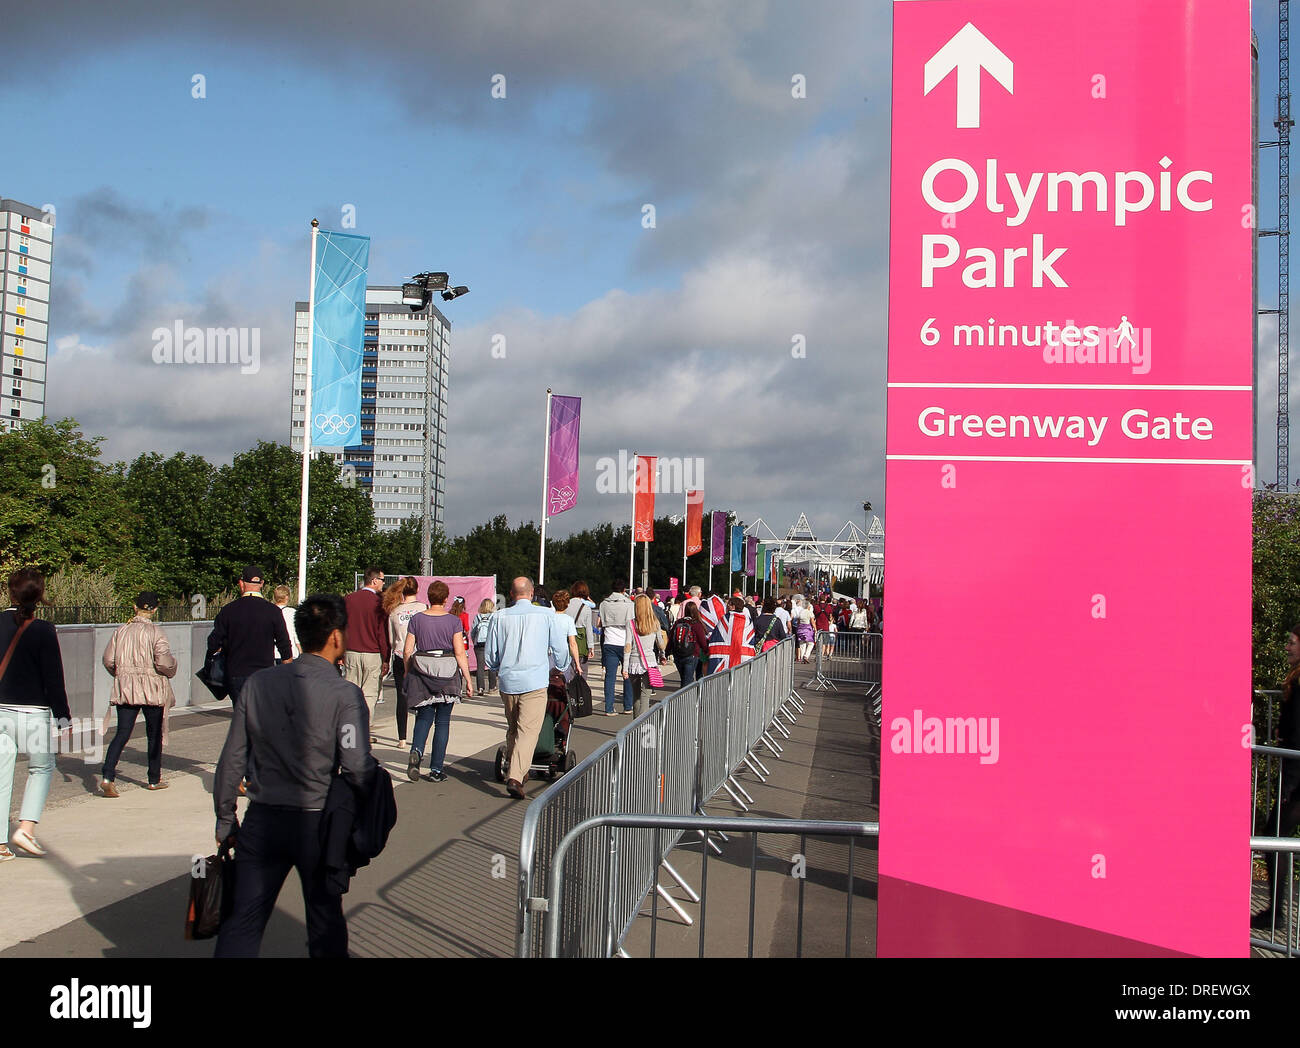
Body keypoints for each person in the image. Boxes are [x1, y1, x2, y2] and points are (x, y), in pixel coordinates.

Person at [213, 594, 378, 957]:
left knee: (243, 920)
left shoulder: (258, 684)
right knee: (324, 920)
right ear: (336, 636)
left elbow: (232, 758)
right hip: (316, 823)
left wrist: (226, 817)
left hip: (263, 819)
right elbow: (355, 764)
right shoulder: (344, 695)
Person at [0, 567, 69, 860]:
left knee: (1, 775)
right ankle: (25, 829)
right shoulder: (43, 629)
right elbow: (53, 677)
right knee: (41, 768)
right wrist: (63, 716)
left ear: (10, 591)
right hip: (34, 713)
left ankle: (0, 844)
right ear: (39, 596)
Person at [483, 577, 570, 799]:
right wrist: (561, 666)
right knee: (528, 730)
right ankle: (515, 775)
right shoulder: (546, 616)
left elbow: (491, 655)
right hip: (535, 680)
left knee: (513, 726)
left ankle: (515, 767)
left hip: (509, 680)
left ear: (511, 594)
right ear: (531, 594)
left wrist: (496, 666)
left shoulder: (499, 617)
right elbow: (559, 648)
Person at [99, 592, 177, 796]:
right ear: (154, 609)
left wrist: (121, 673)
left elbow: (108, 659)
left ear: (135, 607)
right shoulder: (156, 632)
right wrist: (172, 668)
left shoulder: (121, 630)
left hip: (126, 687)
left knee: (122, 733)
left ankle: (108, 776)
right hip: (151, 687)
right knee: (154, 734)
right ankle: (153, 779)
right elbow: (163, 661)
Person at [1253, 625, 1300, 930]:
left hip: (1297, 777)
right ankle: (1276, 912)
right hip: (1295, 775)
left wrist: (1290, 782)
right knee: (1275, 836)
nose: (1287, 647)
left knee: (1275, 837)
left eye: (1292, 643)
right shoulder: (1294, 681)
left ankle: (1276, 914)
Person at [403, 581, 472, 784]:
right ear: (445, 599)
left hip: (422, 671)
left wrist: (408, 673)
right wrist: (468, 680)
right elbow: (459, 652)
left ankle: (416, 751)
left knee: (423, 718)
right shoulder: (453, 621)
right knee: (442, 722)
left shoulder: (416, 619)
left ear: (429, 597)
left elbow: (407, 650)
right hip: (447, 673)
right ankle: (436, 769)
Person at [205, 565, 294, 705]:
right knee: (260, 717)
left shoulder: (229, 611)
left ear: (241, 583)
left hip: (236, 673)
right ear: (262, 584)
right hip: (264, 674)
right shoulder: (273, 611)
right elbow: (284, 644)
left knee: (241, 716)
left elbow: (213, 642)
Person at [343, 568, 390, 742]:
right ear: (375, 580)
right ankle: (364, 731)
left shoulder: (348, 600)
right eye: (383, 580)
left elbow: (342, 627)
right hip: (372, 653)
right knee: (369, 694)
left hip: (351, 651)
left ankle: (349, 731)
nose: (384, 583)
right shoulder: (379, 603)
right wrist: (386, 657)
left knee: (350, 692)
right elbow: (382, 633)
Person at [383, 576, 426, 749]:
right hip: (419, 655)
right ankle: (419, 734)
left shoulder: (394, 612)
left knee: (402, 697)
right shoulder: (424, 608)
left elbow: (391, 640)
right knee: (421, 697)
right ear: (417, 590)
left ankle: (402, 737)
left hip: (400, 655)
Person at [622, 595, 667, 718]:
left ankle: (635, 723)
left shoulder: (631, 623)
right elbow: (660, 643)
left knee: (635, 696)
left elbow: (627, 646)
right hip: (650, 663)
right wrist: (663, 655)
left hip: (633, 663)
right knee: (645, 696)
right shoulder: (655, 623)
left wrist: (625, 668)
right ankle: (641, 724)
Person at [597, 583, 635, 715]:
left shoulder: (603, 604)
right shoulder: (629, 604)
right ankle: (628, 705)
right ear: (624, 590)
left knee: (610, 676)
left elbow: (601, 622)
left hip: (609, 641)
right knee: (627, 674)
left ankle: (609, 707)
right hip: (625, 641)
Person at [706, 596, 756, 674]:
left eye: (728, 605)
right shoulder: (748, 620)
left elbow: (716, 636)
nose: (726, 607)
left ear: (733, 606)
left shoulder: (725, 618)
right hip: (743, 656)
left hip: (724, 657)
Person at [668, 601, 705, 687]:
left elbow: (671, 638)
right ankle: (685, 699)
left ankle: (684, 697)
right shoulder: (696, 624)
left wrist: (667, 651)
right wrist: (706, 651)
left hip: (678, 654)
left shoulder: (678, 622)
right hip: (692, 654)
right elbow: (702, 640)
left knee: (684, 679)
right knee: (687, 680)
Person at [550, 590, 583, 681]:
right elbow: (572, 643)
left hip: (548, 656)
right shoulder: (568, 620)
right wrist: (577, 664)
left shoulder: (548, 618)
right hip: (563, 658)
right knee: (562, 684)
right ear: (567, 604)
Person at [566, 581, 596, 675]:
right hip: (581, 641)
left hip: (567, 640)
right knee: (582, 670)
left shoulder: (566, 604)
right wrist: (591, 646)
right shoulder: (586, 607)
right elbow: (588, 629)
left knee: (568, 670)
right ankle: (580, 689)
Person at [471, 598, 498, 695]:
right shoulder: (494, 617)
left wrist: (474, 640)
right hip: (490, 643)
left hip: (479, 644)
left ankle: (480, 688)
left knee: (480, 666)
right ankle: (492, 687)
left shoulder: (477, 617)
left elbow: (473, 631)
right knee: (491, 665)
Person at [272, 585, 301, 658]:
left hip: (273, 654)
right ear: (287, 597)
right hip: (290, 653)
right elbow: (296, 634)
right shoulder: (293, 612)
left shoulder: (269, 611)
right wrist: (300, 650)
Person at [792, 598, 816, 663]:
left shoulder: (800, 612)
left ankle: (802, 657)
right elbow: (812, 622)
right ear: (808, 606)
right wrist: (815, 629)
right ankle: (806, 656)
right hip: (807, 628)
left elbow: (798, 621)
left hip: (800, 629)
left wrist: (798, 628)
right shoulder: (810, 613)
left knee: (802, 643)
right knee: (811, 643)